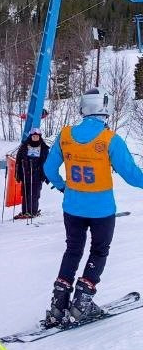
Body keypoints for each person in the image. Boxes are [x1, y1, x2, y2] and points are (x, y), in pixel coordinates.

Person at [42, 87, 143, 327]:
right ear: (104, 110)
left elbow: (48, 169)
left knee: (73, 250)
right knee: (99, 251)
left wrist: (63, 187)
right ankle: (82, 302)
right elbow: (130, 174)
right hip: (101, 210)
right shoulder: (110, 139)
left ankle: (58, 304)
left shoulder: (65, 135)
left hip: (73, 207)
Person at [14, 129, 49, 220]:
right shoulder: (24, 146)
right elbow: (18, 160)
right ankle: (25, 211)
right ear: (30, 136)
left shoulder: (44, 147)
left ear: (39, 137)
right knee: (25, 194)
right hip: (26, 174)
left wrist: (46, 176)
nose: (35, 138)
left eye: (37, 136)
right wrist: (17, 173)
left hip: (37, 175)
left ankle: (33, 211)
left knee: (34, 194)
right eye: (33, 136)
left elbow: (47, 162)